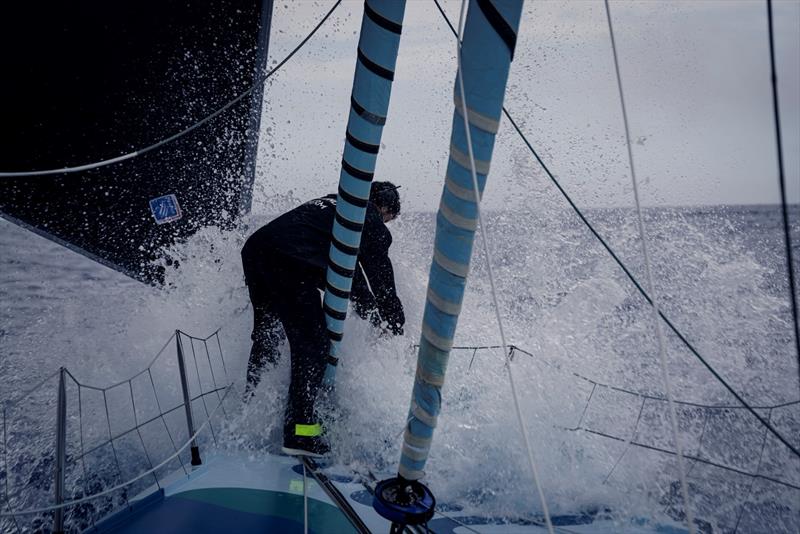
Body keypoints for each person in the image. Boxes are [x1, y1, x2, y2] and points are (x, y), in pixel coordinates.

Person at [240, 181, 405, 457]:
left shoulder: (332, 206)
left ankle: (248, 412)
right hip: (287, 260)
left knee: (267, 337)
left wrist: (369, 312)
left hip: (258, 249)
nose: (386, 223)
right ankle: (300, 434)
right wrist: (393, 323)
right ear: (384, 208)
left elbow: (347, 275)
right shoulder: (369, 219)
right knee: (314, 345)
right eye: (389, 218)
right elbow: (380, 277)